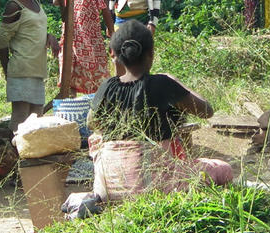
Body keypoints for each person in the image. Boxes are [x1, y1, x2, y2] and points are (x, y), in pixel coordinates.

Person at [88, 21, 232, 202]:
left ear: (116, 56)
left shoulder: (107, 86)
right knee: (222, 168)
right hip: (153, 186)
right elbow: (206, 111)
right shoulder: (163, 83)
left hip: (108, 187)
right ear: (151, 54)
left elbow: (92, 123)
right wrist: (177, 82)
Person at [0, 0, 60, 131]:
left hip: (36, 71)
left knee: (36, 121)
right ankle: (13, 155)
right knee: (20, 121)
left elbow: (32, 29)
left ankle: (26, 156)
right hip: (21, 71)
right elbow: (1, 40)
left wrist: (49, 36)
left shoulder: (35, 2)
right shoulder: (14, 6)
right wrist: (7, 68)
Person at [54, 0, 115, 96]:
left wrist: (112, 32)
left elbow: (106, 10)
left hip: (90, 38)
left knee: (95, 74)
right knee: (69, 73)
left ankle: (96, 107)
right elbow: (56, 0)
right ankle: (70, 106)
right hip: (71, 37)